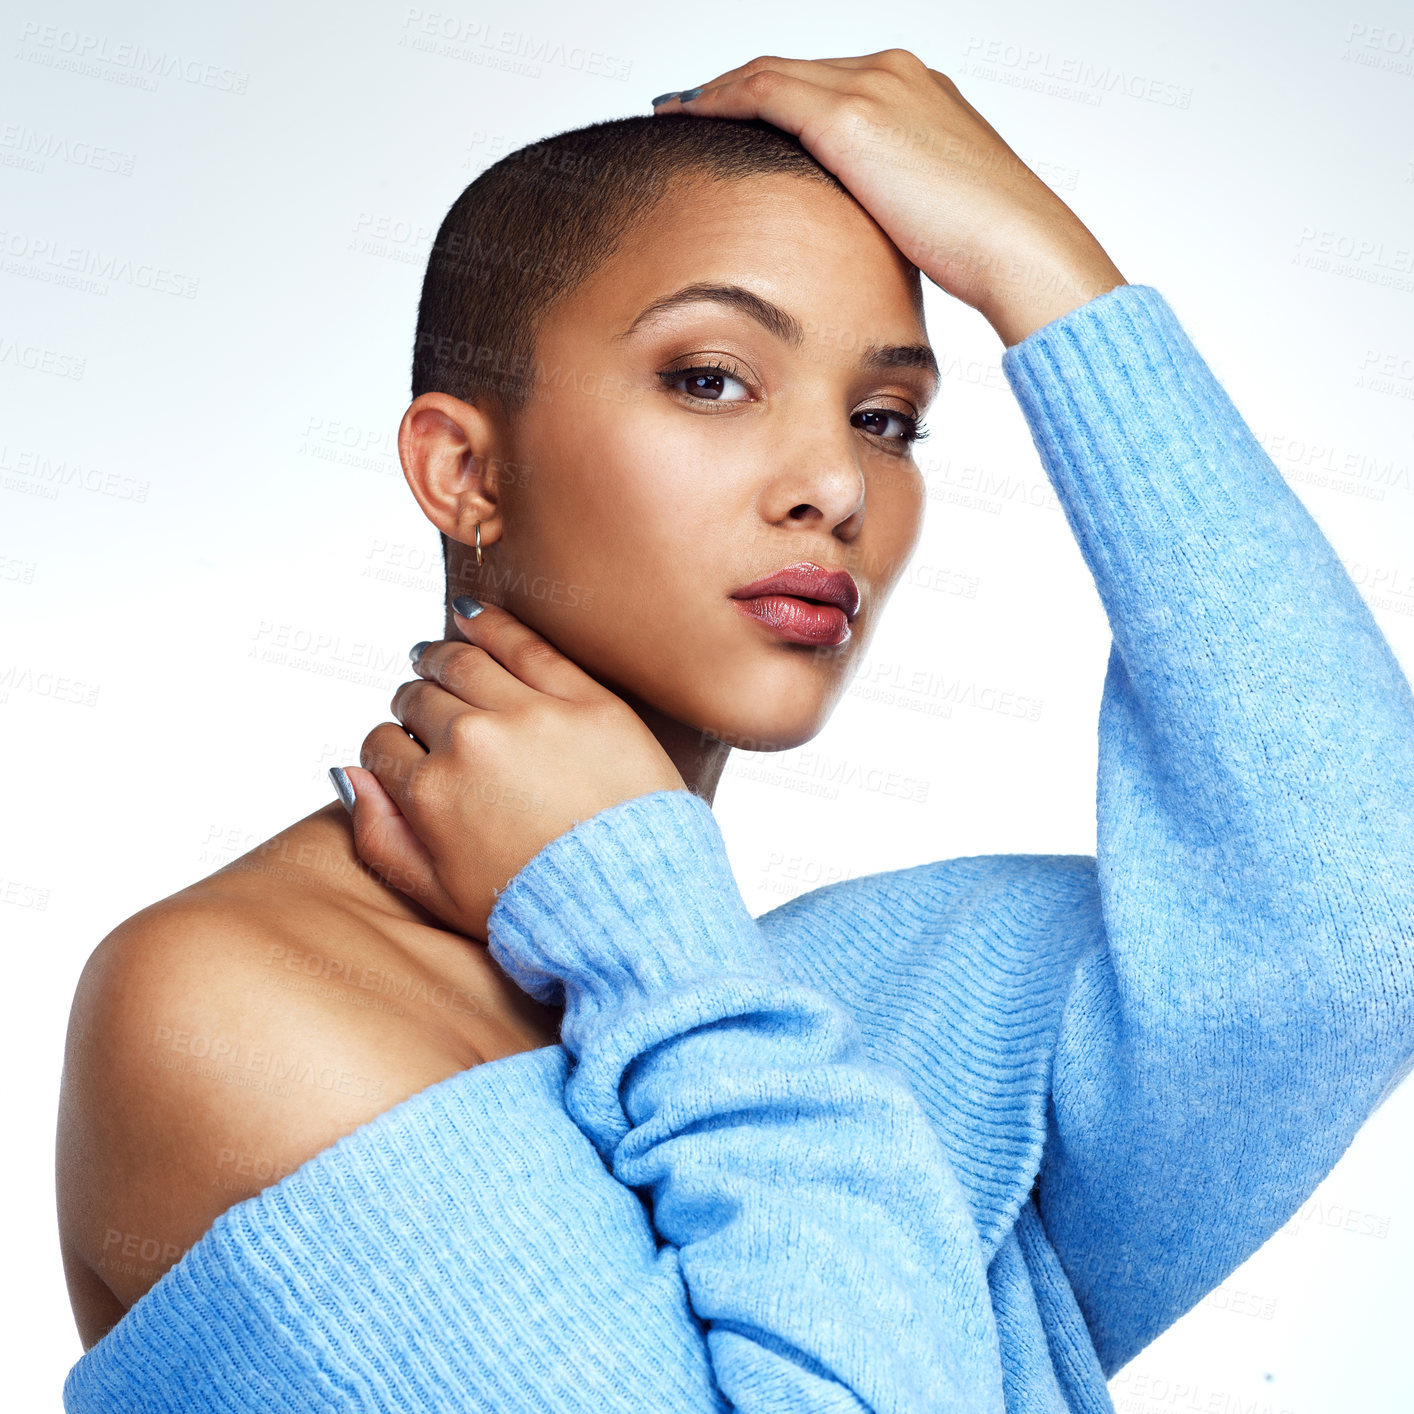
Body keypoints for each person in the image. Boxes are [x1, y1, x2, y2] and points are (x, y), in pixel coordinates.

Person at [57, 50, 1414, 1412]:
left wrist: (1039, 269)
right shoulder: (228, 1003)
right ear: (462, 469)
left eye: (885, 418)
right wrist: (649, 934)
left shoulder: (851, 1006)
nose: (833, 482)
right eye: (709, 378)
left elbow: (1357, 920)